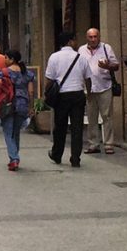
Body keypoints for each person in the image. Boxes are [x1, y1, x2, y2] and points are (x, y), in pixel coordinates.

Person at [45, 31, 92, 168]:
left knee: (60, 126)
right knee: (77, 127)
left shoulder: (54, 57)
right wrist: (88, 93)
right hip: (77, 94)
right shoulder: (81, 58)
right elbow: (88, 78)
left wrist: (46, 93)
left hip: (62, 95)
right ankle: (75, 158)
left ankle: (57, 154)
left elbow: (49, 79)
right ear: (70, 41)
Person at [79, 27, 121, 154]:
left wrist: (107, 66)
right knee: (91, 117)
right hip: (89, 88)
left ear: (99, 37)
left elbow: (116, 66)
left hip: (105, 86)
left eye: (95, 36)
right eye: (90, 37)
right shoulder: (81, 50)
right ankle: (93, 144)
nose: (93, 39)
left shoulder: (106, 48)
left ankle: (108, 144)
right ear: (87, 38)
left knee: (107, 116)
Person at [0, 49, 36, 171]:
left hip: (8, 104)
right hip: (22, 104)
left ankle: (14, 158)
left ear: (12, 59)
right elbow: (31, 91)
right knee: (16, 132)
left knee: (8, 133)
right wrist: (31, 106)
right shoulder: (27, 73)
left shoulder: (4, 73)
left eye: (6, 57)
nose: (4, 60)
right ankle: (14, 157)